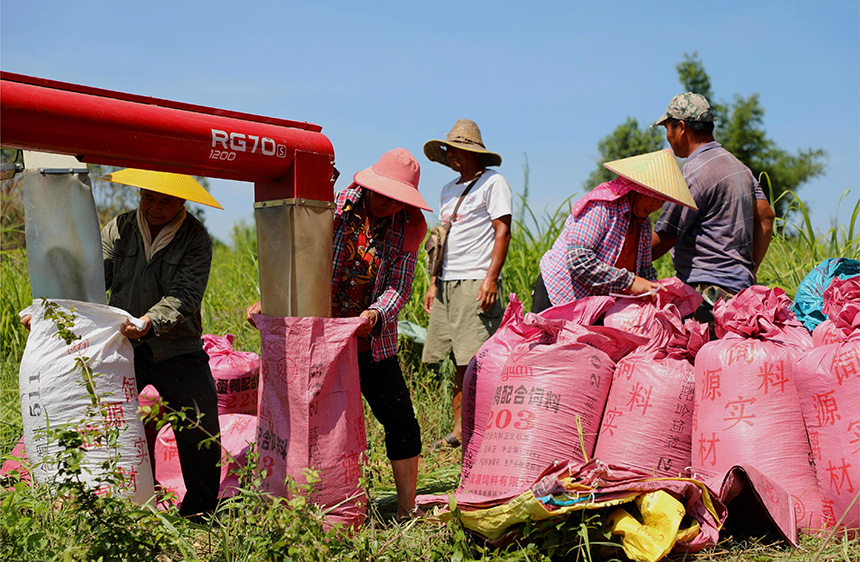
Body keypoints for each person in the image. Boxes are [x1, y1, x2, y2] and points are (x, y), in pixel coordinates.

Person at [246, 148, 429, 520]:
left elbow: (399, 286)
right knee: (307, 420)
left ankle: (406, 508)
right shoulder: (335, 207)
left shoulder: (407, 227)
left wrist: (374, 314)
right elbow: (299, 251)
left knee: (400, 421)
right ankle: (294, 501)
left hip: (369, 340)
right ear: (368, 186)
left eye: (396, 201)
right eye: (382, 195)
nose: (387, 205)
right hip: (318, 335)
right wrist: (274, 298)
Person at [101, 169, 223, 517]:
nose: (155, 207)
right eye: (148, 197)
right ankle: (118, 507)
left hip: (178, 349)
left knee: (200, 428)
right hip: (125, 345)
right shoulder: (120, 227)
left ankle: (200, 514)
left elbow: (186, 295)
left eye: (165, 201)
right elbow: (96, 277)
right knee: (109, 421)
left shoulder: (195, 238)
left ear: (182, 201)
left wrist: (149, 322)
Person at [421, 119, 512, 450]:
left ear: (474, 153)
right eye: (448, 150)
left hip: (476, 279)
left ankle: (483, 432)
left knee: (475, 359)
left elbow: (502, 231)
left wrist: (490, 279)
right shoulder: (448, 190)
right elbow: (441, 240)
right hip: (447, 282)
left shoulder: (493, 183)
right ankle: (460, 431)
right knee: (452, 358)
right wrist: (433, 282)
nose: (450, 155)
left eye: (457, 150)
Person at [650, 92, 776, 324]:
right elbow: (766, 217)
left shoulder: (693, 172)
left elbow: (666, 236)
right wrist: (749, 270)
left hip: (705, 295)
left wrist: (621, 264)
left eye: (667, 128)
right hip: (741, 294)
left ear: (681, 127)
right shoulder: (739, 167)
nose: (667, 136)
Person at [534, 150, 696, 311]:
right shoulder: (601, 207)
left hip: (595, 303)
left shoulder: (644, 226)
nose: (655, 206)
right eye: (652, 197)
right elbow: (578, 260)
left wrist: (656, 291)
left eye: (661, 200)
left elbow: (644, 270)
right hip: (560, 294)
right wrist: (630, 282)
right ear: (636, 190)